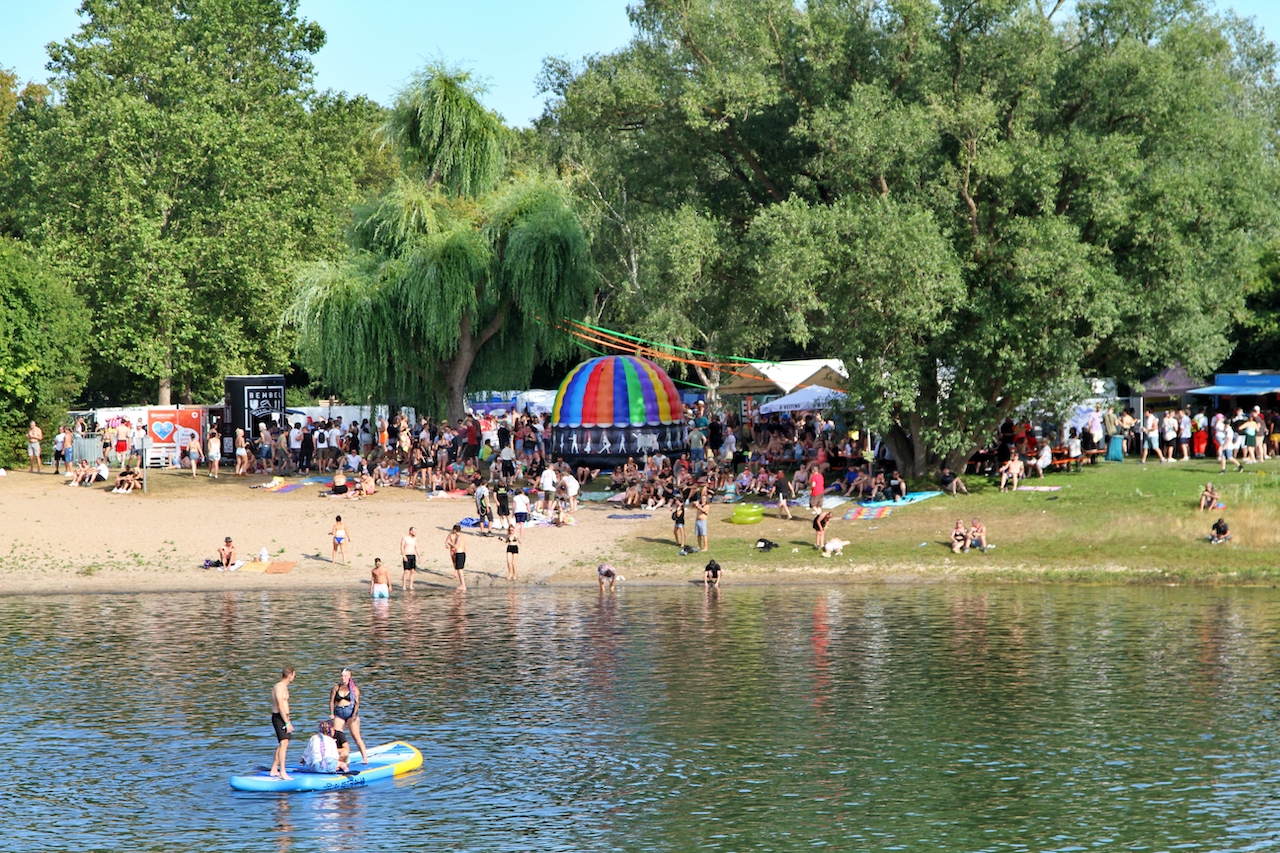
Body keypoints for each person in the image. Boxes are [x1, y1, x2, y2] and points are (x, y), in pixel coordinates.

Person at [330, 668, 368, 765]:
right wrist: (332, 713)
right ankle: (340, 758)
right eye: (342, 676)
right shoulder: (336, 688)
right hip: (339, 712)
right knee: (337, 736)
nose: (343, 678)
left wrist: (354, 714)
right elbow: (332, 701)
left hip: (350, 713)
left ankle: (365, 758)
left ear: (349, 677)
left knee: (356, 736)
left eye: (345, 676)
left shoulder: (354, 689)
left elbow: (357, 703)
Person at [269, 667, 296, 780]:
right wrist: (287, 723)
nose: (294, 677)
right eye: (294, 675)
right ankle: (282, 771)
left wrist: (288, 720)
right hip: (279, 717)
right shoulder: (278, 687)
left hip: (285, 717)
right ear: (289, 675)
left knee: (284, 743)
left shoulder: (285, 687)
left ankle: (274, 769)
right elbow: (280, 706)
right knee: (284, 743)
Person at [445, 524, 467, 590]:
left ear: (455, 530)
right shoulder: (462, 536)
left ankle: (463, 586)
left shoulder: (459, 537)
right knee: (460, 570)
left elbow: (456, 546)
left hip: (459, 553)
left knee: (460, 570)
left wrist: (449, 542)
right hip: (463, 553)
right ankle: (462, 585)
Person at [400, 527, 418, 591]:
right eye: (414, 531)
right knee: (406, 571)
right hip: (407, 555)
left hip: (413, 555)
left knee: (412, 571)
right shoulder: (405, 538)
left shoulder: (415, 539)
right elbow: (402, 547)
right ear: (410, 531)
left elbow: (416, 547)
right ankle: (404, 586)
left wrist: (419, 556)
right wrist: (404, 555)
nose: (415, 532)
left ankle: (411, 585)